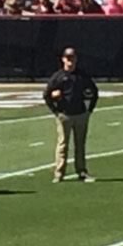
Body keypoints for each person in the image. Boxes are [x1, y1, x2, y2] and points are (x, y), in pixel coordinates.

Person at [44, 46, 99, 183]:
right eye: (68, 58)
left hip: (80, 114)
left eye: (72, 58)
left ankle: (81, 171)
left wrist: (89, 110)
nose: (70, 61)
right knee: (63, 145)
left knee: (80, 145)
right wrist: (56, 111)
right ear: (63, 59)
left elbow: (94, 92)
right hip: (65, 115)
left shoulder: (82, 76)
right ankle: (59, 173)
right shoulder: (58, 77)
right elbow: (46, 95)